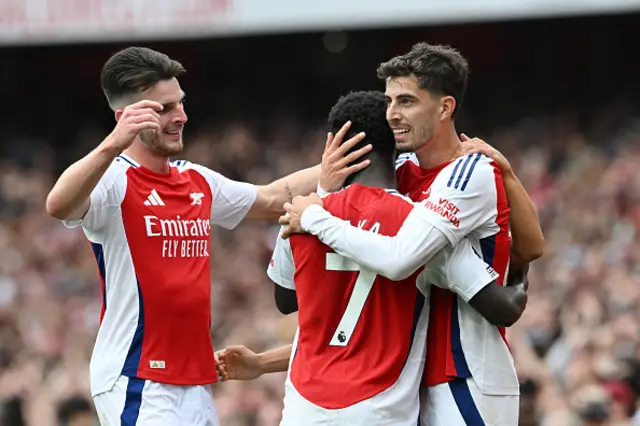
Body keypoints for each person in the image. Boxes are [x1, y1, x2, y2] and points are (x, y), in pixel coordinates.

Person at [44, 46, 368, 426]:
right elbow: (58, 205)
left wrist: (343, 161)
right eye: (164, 109)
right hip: (137, 375)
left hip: (195, 378)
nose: (181, 116)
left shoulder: (195, 179)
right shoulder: (113, 180)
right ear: (125, 118)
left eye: (180, 104)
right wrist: (112, 143)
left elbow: (273, 197)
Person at [217, 91, 527, 425]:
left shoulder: (299, 215)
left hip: (303, 410)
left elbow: (286, 299)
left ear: (332, 145)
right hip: (380, 412)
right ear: (397, 146)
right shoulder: (421, 227)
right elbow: (503, 307)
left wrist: (323, 196)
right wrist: (521, 264)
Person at [278, 43, 544, 425]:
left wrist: (317, 216)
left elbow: (402, 259)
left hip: (463, 373)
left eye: (406, 101)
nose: (392, 115)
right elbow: (275, 197)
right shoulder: (396, 170)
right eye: (389, 102)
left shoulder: (468, 172)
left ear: (445, 107)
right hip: (407, 379)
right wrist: (323, 188)